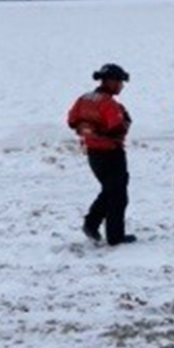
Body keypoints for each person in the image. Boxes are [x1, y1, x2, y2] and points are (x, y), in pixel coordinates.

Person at [68, 63, 137, 245]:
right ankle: (114, 236)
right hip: (111, 153)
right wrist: (124, 121)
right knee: (118, 195)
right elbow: (116, 128)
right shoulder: (109, 104)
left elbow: (72, 120)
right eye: (120, 82)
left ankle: (91, 224)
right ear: (110, 81)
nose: (121, 86)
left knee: (110, 190)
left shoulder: (83, 99)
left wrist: (89, 129)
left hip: (92, 153)